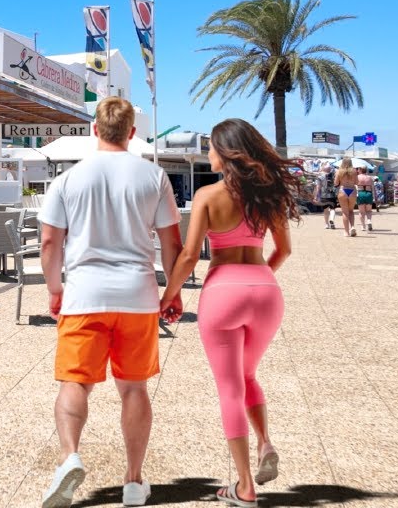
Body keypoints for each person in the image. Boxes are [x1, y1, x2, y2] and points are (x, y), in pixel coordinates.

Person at [38, 97, 182, 508]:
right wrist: (172, 291)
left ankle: (70, 458)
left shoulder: (69, 180)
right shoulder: (153, 177)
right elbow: (172, 241)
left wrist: (54, 288)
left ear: (94, 130)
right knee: (133, 388)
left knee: (75, 382)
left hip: (84, 294)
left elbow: (50, 242)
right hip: (137, 296)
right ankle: (134, 482)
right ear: (132, 133)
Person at [161, 118, 298, 508]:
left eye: (211, 148)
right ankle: (265, 443)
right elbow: (283, 250)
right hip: (265, 291)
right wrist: (256, 282)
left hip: (222, 291)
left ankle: (244, 487)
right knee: (248, 374)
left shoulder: (207, 195)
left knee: (229, 387)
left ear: (225, 153)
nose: (208, 154)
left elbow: (189, 256)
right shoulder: (269, 196)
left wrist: (169, 296)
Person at [334, 157, 359, 237]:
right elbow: (357, 182)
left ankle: (346, 232)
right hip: (352, 190)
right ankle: (352, 227)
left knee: (345, 212)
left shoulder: (339, 171)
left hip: (343, 190)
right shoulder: (354, 171)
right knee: (351, 211)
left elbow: (335, 183)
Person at [356, 166, 375, 232]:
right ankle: (369, 221)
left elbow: (355, 186)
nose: (357, 170)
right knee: (369, 211)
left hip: (360, 193)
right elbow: (373, 188)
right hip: (369, 193)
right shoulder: (370, 178)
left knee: (361, 212)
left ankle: (363, 226)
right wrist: (374, 197)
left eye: (358, 169)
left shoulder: (357, 177)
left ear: (360, 170)